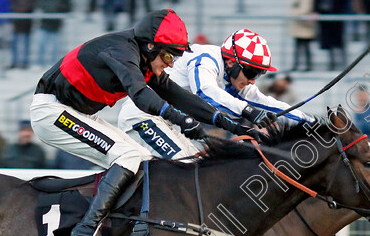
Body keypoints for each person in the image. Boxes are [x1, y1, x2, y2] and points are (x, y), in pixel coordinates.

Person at [31, 10, 289, 236]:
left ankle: (117, 225)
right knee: (129, 155)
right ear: (151, 45)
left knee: (142, 159)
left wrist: (235, 127)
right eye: (168, 55)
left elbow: (179, 96)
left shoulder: (144, 59)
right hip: (51, 112)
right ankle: (88, 228)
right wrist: (183, 121)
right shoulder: (121, 52)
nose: (171, 64)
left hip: (74, 112)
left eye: (175, 57)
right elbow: (141, 96)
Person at [118, 28, 311, 160]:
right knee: (186, 168)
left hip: (170, 123)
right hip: (142, 116)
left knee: (200, 167)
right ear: (231, 63)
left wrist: (312, 123)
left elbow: (269, 104)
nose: (253, 81)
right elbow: (205, 92)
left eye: (258, 75)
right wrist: (247, 110)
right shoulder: (206, 59)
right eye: (252, 73)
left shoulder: (233, 76)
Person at [314, 0, 346, 70]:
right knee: (327, 41)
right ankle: (331, 62)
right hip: (324, 17)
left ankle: (341, 62)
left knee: (337, 41)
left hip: (336, 17)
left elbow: (342, 0)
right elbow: (315, 0)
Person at [37, 0, 72, 67]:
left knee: (55, 46)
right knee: (42, 44)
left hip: (57, 24)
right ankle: (40, 62)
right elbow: (43, 5)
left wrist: (56, 9)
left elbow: (67, 8)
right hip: (45, 23)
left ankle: (53, 63)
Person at [10, 0, 38, 69]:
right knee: (15, 41)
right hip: (17, 19)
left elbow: (34, 2)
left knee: (26, 41)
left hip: (28, 19)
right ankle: (14, 61)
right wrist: (17, 9)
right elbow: (12, 1)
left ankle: (25, 62)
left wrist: (25, 9)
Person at [289, 0, 315, 72]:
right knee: (297, 46)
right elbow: (292, 6)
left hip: (306, 22)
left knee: (307, 46)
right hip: (297, 22)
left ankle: (308, 65)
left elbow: (308, 7)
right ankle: (296, 64)